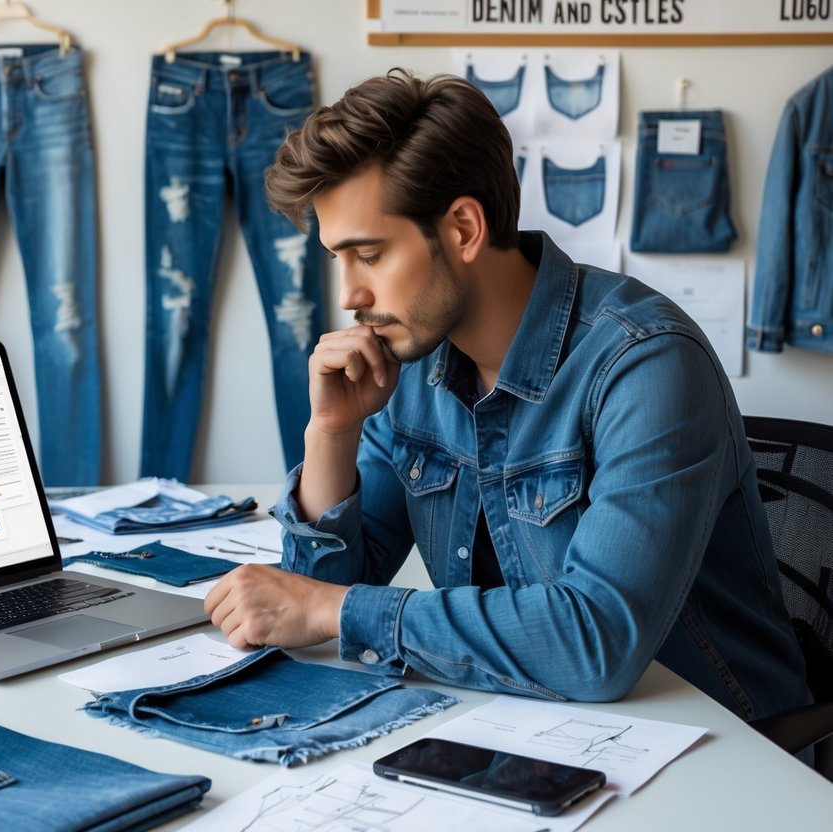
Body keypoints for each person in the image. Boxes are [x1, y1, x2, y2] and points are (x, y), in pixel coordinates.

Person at [204, 68, 810, 723]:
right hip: (532, 724)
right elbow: (305, 598)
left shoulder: (646, 363)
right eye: (337, 259)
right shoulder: (408, 361)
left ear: (462, 228)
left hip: (720, 740)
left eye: (369, 254)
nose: (348, 294)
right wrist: (330, 432)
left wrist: (329, 610)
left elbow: (595, 643)